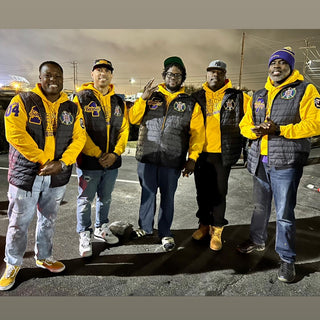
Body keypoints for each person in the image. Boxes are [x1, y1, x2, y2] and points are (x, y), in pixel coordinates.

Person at [0, 61, 86, 291]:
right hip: (27, 175)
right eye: (48, 75)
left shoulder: (72, 107)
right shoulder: (23, 101)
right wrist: (43, 159)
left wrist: (63, 162)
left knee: (49, 220)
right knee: (19, 223)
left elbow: (79, 138)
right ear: (40, 77)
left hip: (57, 176)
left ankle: (44, 256)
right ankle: (12, 264)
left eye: (58, 76)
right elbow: (14, 132)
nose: (53, 79)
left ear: (62, 79)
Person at [237, 47, 320, 283]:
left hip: (286, 162)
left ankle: (287, 259)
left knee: (284, 213)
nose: (277, 67)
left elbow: (316, 124)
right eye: (273, 63)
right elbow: (245, 123)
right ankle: (257, 240)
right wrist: (253, 131)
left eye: (283, 63)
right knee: (259, 208)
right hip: (260, 161)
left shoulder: (305, 89)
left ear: (290, 67)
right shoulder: (260, 93)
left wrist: (280, 130)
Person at [128, 56, 205, 252]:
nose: (174, 77)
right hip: (148, 155)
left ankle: (165, 233)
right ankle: (145, 228)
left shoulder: (189, 103)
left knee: (168, 197)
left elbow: (197, 134)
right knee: (148, 193)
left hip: (172, 158)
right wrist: (142, 100)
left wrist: (193, 158)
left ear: (183, 78)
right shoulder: (151, 96)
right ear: (164, 75)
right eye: (170, 74)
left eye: (178, 75)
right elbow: (133, 119)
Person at [191, 60, 250, 251]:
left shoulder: (238, 97)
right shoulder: (197, 96)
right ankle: (204, 224)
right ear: (206, 75)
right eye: (211, 71)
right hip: (200, 153)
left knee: (219, 193)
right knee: (202, 193)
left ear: (225, 75)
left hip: (223, 154)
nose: (215, 75)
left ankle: (217, 230)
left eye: (219, 72)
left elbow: (252, 118)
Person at [74, 59, 129, 257]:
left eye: (107, 70)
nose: (103, 74)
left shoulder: (118, 101)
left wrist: (115, 153)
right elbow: (78, 130)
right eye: (99, 70)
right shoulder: (81, 98)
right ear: (92, 74)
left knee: (105, 198)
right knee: (85, 200)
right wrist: (98, 153)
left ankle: (101, 228)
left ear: (111, 75)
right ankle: (84, 233)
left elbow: (124, 129)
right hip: (89, 162)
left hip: (112, 162)